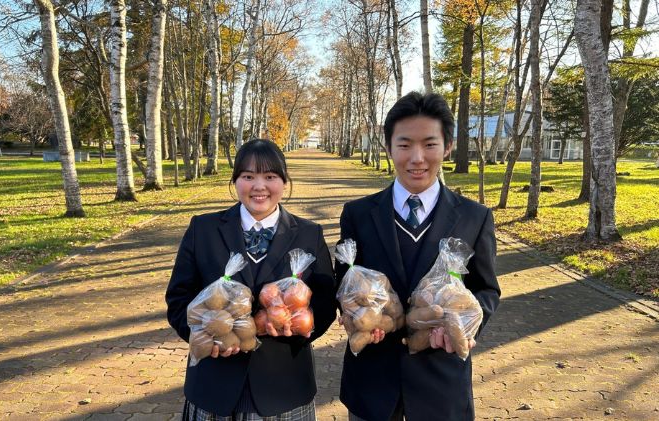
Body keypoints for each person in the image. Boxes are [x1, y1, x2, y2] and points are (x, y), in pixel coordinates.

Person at [336, 92, 501, 421]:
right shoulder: (358, 214)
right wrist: (351, 311)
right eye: (404, 144)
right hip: (373, 379)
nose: (417, 158)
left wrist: (462, 327)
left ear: (448, 147)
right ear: (388, 147)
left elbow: (487, 289)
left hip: (440, 379)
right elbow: (345, 280)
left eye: (429, 144)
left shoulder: (473, 217)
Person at [166, 138, 336, 420]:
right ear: (235, 181)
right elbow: (178, 298)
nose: (259, 186)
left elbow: (325, 303)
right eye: (248, 176)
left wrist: (300, 328)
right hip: (214, 385)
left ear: (284, 181)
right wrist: (207, 335)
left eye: (270, 176)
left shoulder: (309, 234)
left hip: (283, 387)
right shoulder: (203, 229)